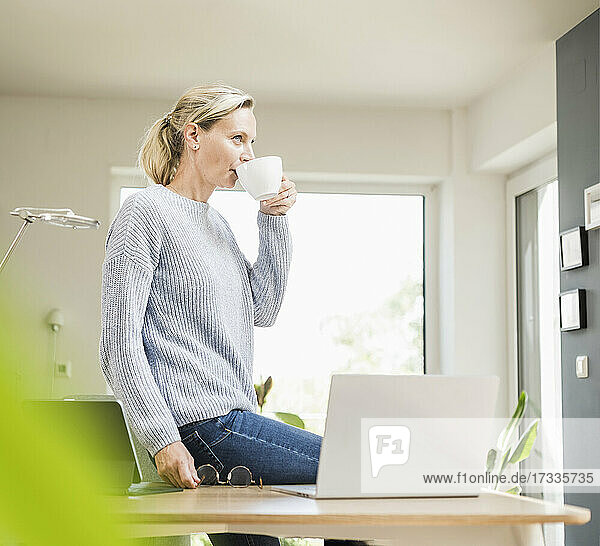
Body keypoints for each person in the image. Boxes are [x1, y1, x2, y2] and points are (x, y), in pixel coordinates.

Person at [99, 83, 365, 546]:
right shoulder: (144, 212)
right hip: (205, 426)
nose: (248, 154)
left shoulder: (217, 224)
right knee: (350, 472)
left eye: (252, 143)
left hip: (231, 419)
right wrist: (162, 438)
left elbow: (263, 308)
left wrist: (274, 219)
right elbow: (117, 347)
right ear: (194, 136)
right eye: (237, 139)